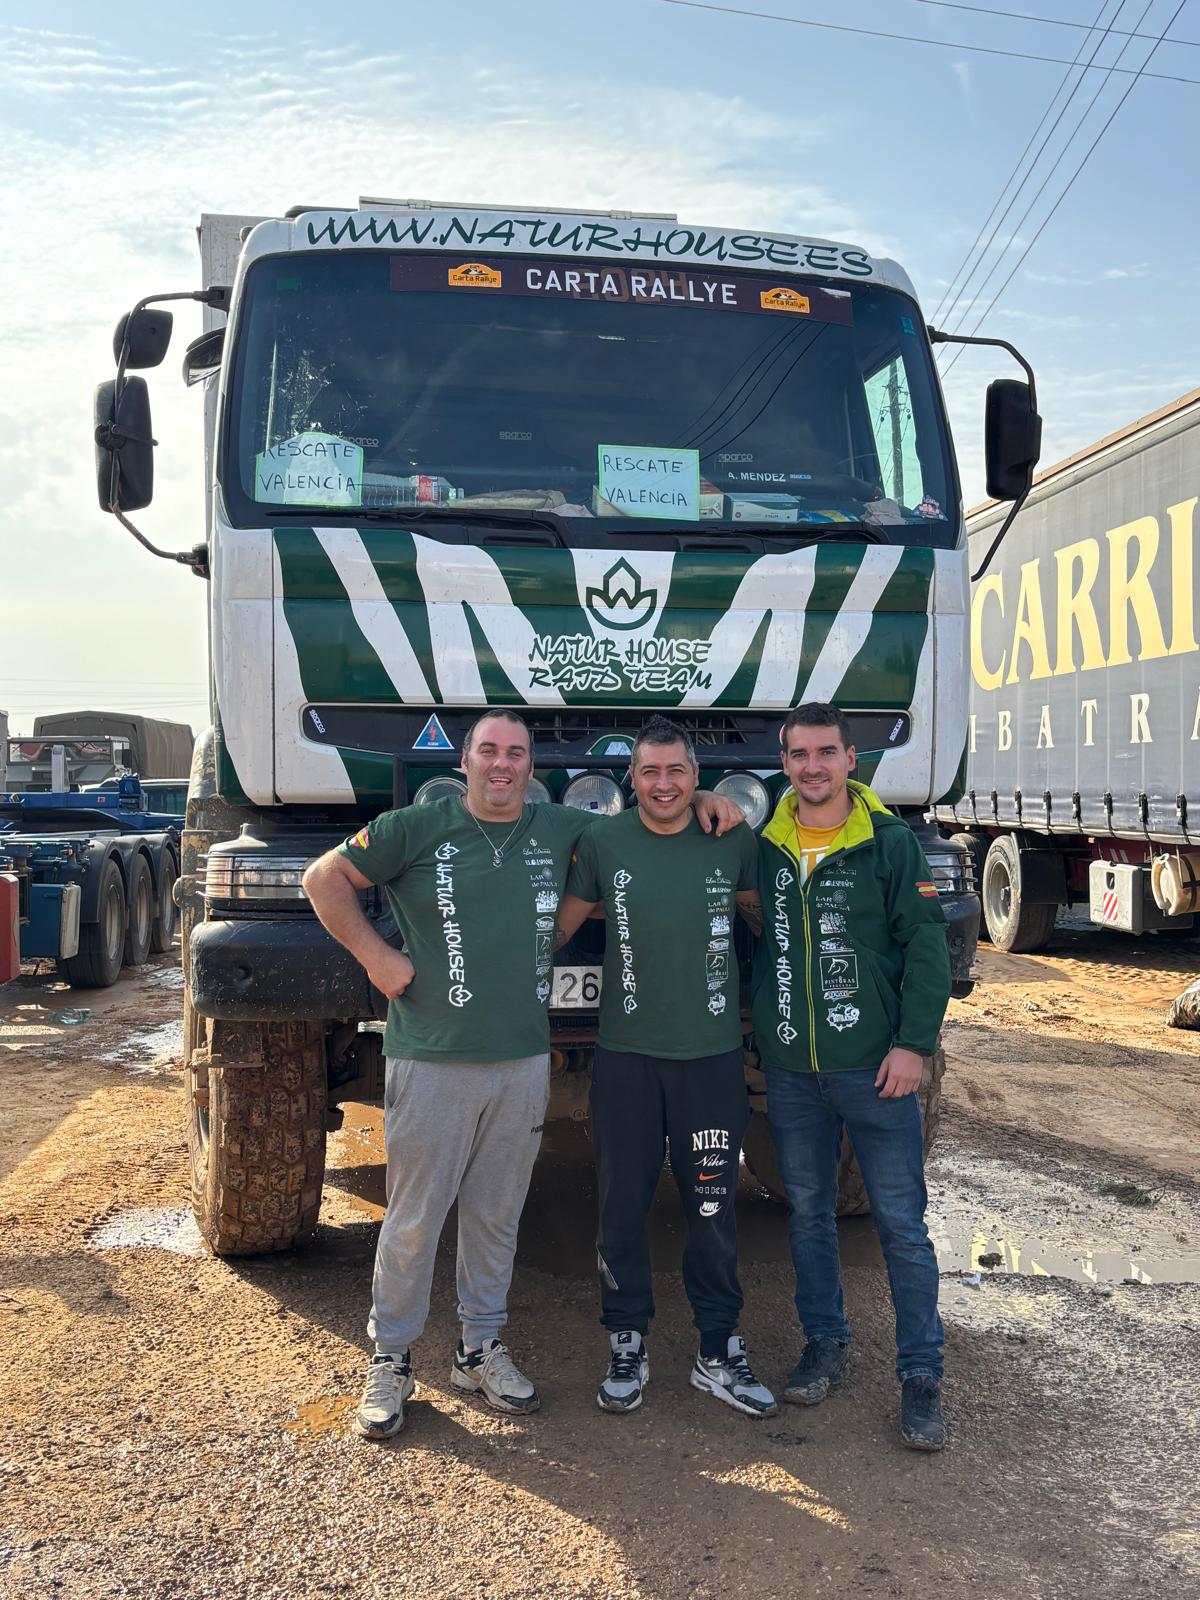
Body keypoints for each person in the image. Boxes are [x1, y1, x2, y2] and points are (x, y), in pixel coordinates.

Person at [302, 711, 742, 1440]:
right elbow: (325, 878)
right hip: (433, 1056)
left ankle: (478, 1348)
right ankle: (392, 1357)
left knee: (495, 1215)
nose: (501, 765)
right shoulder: (417, 825)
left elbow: (647, 820)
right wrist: (377, 958)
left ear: (531, 766)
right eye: (488, 752)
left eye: (515, 753)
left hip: (521, 1059)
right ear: (466, 760)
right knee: (414, 1218)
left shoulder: (560, 829)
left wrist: (700, 802)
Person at [740, 702, 951, 1450]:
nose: (812, 767)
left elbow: (925, 948)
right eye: (798, 755)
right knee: (808, 1214)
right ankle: (825, 1344)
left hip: (876, 1071)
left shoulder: (888, 843)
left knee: (900, 1225)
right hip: (794, 1072)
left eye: (826, 752)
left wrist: (913, 1045)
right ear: (785, 763)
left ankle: (920, 1375)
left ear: (850, 759)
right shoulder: (766, 842)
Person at [555, 716, 777, 1419]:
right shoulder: (602, 842)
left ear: (695, 775)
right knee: (622, 1204)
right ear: (631, 779)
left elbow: (766, 919)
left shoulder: (731, 839)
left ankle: (718, 1349)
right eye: (648, 772)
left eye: (675, 771)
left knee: (712, 1206)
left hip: (709, 1062)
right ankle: (627, 1339)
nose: (662, 784)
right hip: (626, 1061)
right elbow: (555, 928)